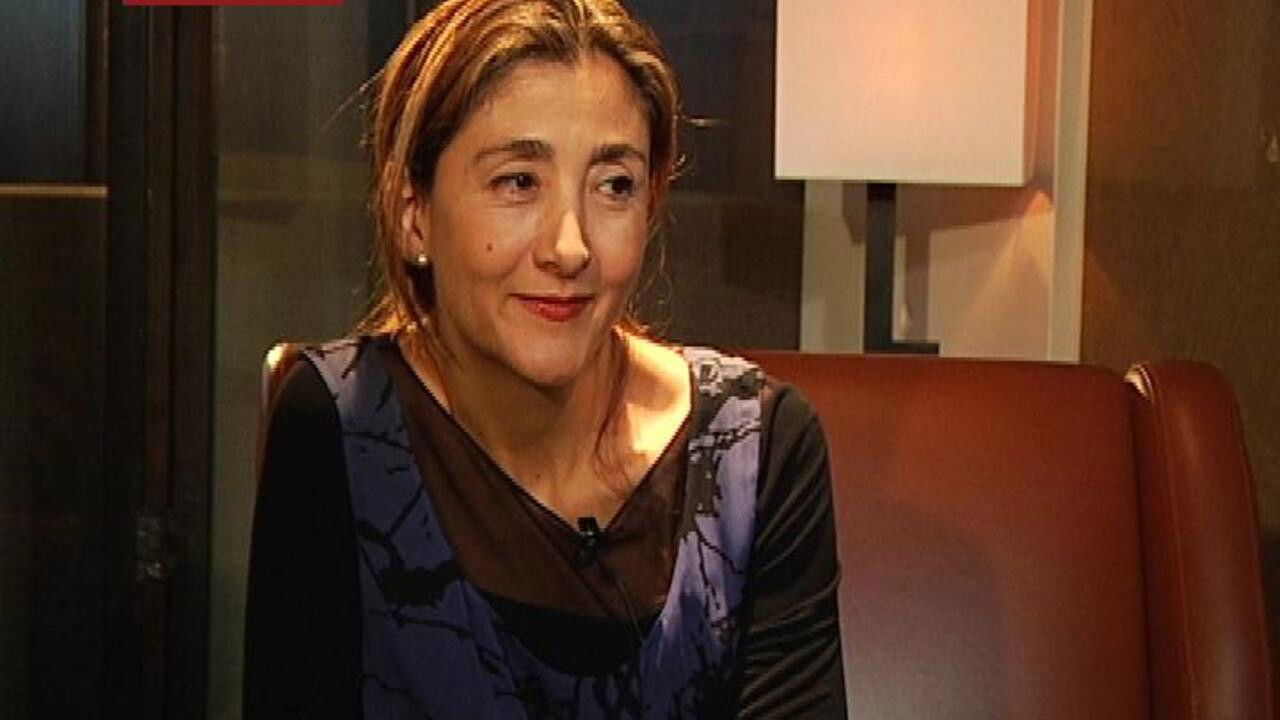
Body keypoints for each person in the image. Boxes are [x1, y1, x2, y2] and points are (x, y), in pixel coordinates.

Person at [243, 0, 845, 717]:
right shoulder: (338, 426)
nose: (570, 247)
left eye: (613, 185)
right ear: (414, 215)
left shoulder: (758, 449)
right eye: (519, 182)